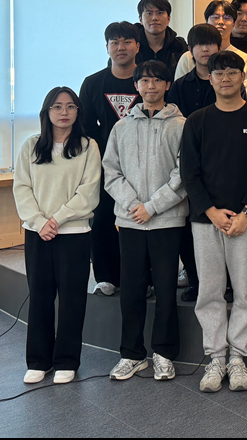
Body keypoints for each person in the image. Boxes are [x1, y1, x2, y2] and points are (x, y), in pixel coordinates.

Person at [181, 51, 247, 393]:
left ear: (241, 77)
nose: (225, 79)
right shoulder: (197, 121)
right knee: (209, 290)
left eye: (232, 72)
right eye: (218, 73)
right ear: (209, 78)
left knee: (245, 291)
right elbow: (189, 172)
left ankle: (237, 356)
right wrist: (211, 211)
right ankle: (216, 357)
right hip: (206, 220)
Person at [102, 61, 187, 382]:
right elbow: (111, 172)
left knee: (165, 289)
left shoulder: (181, 125)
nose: (150, 86)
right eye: (145, 80)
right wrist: (133, 205)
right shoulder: (121, 127)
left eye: (157, 80)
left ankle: (164, 354)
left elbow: (184, 174)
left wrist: (152, 207)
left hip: (167, 221)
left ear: (167, 85)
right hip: (131, 222)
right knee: (132, 290)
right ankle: (132, 354)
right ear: (136, 86)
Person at [13, 86, 101, 386]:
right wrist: (40, 222)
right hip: (38, 234)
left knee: (72, 299)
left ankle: (66, 360)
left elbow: (88, 192)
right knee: (39, 296)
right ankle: (38, 360)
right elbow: (21, 188)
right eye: (57, 106)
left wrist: (57, 219)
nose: (64, 112)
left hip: (74, 232)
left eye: (70, 106)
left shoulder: (88, 147)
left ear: (78, 111)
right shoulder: (31, 146)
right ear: (47, 112)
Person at [79, 21, 141, 297]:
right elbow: (85, 127)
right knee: (102, 218)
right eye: (114, 42)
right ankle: (106, 277)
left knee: (140, 219)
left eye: (127, 41)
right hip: (104, 164)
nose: (121, 47)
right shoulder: (93, 83)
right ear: (107, 47)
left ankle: (143, 277)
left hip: (143, 163)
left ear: (137, 45)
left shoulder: (150, 79)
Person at [166, 23, 223, 303]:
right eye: (199, 44)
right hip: (187, 163)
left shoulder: (225, 82)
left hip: (220, 163)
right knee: (188, 226)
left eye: (210, 43)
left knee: (218, 223)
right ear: (190, 50)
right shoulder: (179, 86)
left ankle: (223, 282)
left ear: (218, 47)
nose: (205, 49)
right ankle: (195, 280)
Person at [174, 0, 247, 100]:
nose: (221, 22)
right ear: (206, 21)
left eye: (227, 17)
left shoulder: (244, 59)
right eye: (215, 17)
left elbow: (245, 98)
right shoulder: (188, 57)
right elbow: (178, 93)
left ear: (234, 23)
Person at [134, 0, 188, 73]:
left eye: (160, 13)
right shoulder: (131, 46)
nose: (154, 18)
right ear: (141, 20)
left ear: (168, 19)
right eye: (149, 13)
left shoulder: (179, 47)